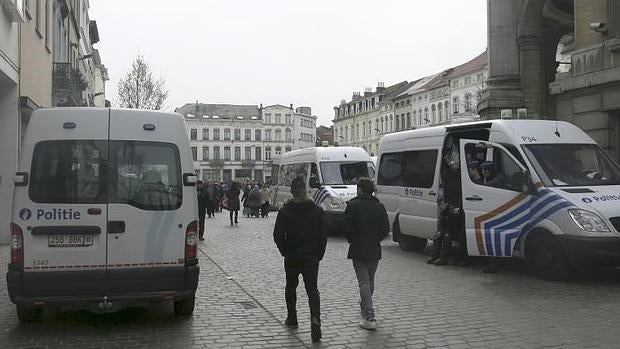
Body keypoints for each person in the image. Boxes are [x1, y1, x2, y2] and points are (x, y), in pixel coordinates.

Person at [273, 176, 327, 343]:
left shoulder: (285, 211)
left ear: (292, 192)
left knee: (291, 286)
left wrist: (284, 250)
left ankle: (292, 318)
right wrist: (319, 254)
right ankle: (315, 320)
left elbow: (277, 235)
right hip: (311, 256)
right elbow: (323, 235)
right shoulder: (317, 211)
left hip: (292, 255)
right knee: (312, 289)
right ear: (305, 191)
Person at [344, 178, 389, 331]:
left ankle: (370, 316)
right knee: (369, 281)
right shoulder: (379, 206)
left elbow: (347, 228)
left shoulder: (352, 205)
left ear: (360, 189)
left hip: (358, 248)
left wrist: (353, 239)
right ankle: (365, 305)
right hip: (374, 249)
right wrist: (376, 239)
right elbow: (385, 229)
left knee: (364, 283)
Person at [427, 196, 460, 266]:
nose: (441, 206)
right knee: (437, 237)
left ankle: (443, 258)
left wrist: (444, 232)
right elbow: (441, 224)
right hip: (446, 231)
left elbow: (454, 226)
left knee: (447, 237)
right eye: (439, 204)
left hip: (453, 232)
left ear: (446, 203)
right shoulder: (443, 212)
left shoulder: (452, 211)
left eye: (442, 203)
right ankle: (434, 256)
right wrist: (439, 232)